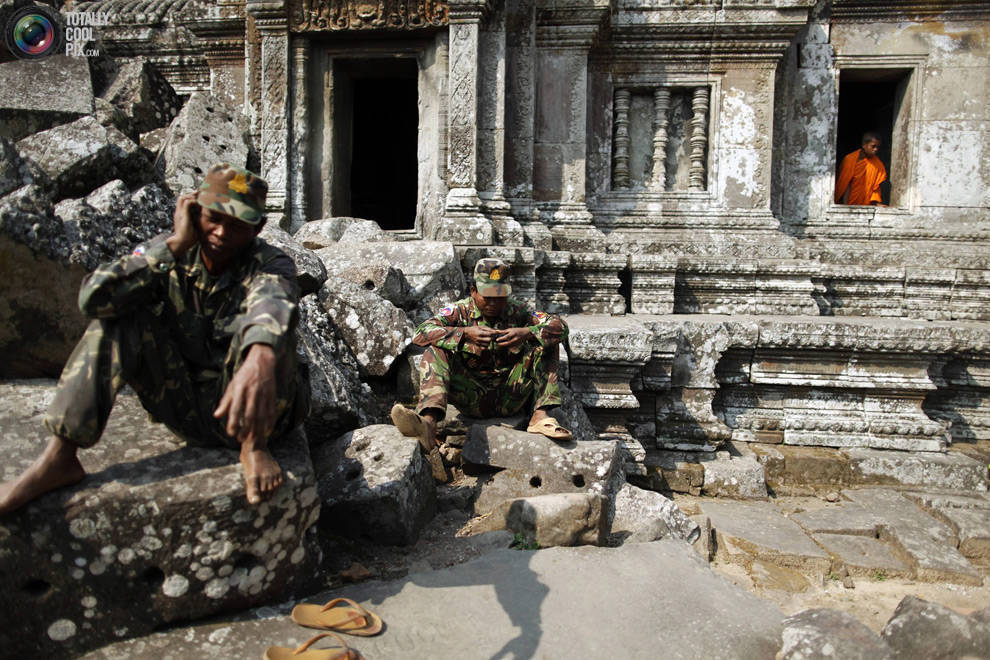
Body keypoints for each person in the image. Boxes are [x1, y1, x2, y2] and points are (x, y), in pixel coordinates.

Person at [0, 164, 308, 514]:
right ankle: (59, 458)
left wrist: (260, 358)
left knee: (273, 337)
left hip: (255, 413)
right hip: (182, 404)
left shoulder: (270, 263)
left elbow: (273, 303)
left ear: (258, 228)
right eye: (213, 218)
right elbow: (93, 298)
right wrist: (175, 245)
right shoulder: (168, 251)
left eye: (237, 225)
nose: (221, 233)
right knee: (117, 317)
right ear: (192, 210)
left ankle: (254, 447)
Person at [391, 258, 572, 469]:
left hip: (511, 395)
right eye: (487, 297)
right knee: (437, 349)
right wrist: (463, 334)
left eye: (500, 297)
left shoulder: (519, 311)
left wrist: (528, 333)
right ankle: (428, 423)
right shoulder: (459, 312)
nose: (494, 303)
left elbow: (561, 327)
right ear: (473, 291)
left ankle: (541, 417)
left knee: (548, 342)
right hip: (471, 397)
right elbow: (420, 334)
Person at [835, 132, 887, 206]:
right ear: (864, 145)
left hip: (866, 206)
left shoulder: (878, 165)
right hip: (847, 203)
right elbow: (845, 185)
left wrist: (877, 204)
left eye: (878, 147)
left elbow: (875, 188)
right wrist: (846, 207)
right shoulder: (850, 160)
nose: (876, 149)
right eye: (873, 146)